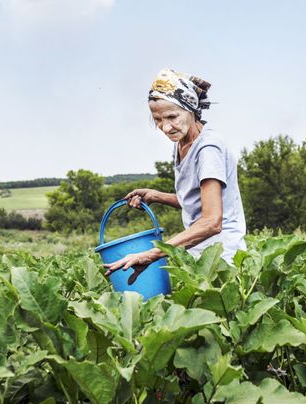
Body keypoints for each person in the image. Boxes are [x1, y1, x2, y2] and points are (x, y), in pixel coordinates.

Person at [104, 68, 247, 283]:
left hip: (221, 258)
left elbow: (212, 221)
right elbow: (196, 203)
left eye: (172, 117)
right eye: (158, 119)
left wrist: (151, 255)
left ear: (191, 109)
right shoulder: (182, 143)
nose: (166, 127)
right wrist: (156, 196)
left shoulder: (207, 149)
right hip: (198, 254)